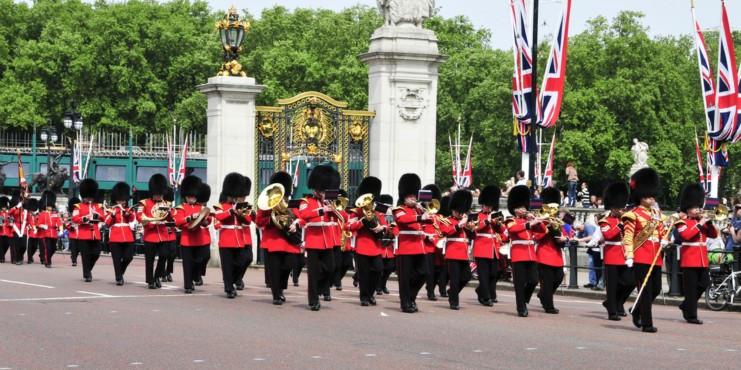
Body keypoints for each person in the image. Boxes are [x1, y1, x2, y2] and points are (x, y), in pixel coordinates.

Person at [622, 167, 666, 333]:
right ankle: (647, 323)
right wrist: (629, 255)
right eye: (648, 196)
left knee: (655, 289)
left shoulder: (657, 214)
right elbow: (628, 237)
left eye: (652, 195)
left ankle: (636, 309)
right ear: (641, 196)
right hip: (640, 256)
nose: (651, 199)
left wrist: (666, 239)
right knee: (645, 291)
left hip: (655, 256)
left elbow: (661, 232)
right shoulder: (632, 214)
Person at [297, 165, 341, 311]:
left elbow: (343, 218)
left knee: (331, 268)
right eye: (322, 190)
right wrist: (322, 209)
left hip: (327, 242)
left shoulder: (330, 203)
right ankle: (313, 300)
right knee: (313, 274)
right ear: (316, 189)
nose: (324, 193)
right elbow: (304, 215)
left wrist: (333, 209)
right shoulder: (306, 202)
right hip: (313, 241)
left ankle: (322, 288)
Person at [256, 171, 302, 305]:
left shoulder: (291, 203)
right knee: (274, 269)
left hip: (288, 241)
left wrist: (296, 223)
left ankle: (281, 288)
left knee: (288, 266)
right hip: (273, 240)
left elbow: (300, 217)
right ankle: (276, 294)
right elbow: (259, 221)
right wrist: (271, 219)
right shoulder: (268, 204)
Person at [676, 183, 718, 325]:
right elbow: (687, 236)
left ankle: (686, 305)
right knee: (691, 288)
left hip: (702, 260)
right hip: (689, 260)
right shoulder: (682, 222)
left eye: (698, 207)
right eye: (694, 207)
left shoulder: (703, 222)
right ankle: (691, 316)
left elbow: (713, 235)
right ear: (687, 209)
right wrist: (700, 223)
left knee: (704, 283)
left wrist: (710, 223)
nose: (697, 209)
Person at [346, 176, 388, 306]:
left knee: (378, 271)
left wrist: (382, 228)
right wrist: (361, 222)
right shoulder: (357, 211)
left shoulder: (378, 211)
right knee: (364, 274)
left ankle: (371, 294)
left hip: (375, 247)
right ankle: (364, 297)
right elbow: (347, 226)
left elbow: (385, 225)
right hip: (362, 246)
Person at [393, 173, 430, 313]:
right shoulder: (399, 210)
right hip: (406, 248)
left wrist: (423, 211)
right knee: (405, 278)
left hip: (419, 248)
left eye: (414, 196)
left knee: (424, 273)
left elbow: (431, 220)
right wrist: (420, 216)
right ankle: (406, 303)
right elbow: (403, 220)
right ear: (404, 197)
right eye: (410, 196)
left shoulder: (418, 210)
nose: (413, 199)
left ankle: (411, 297)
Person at [505, 185, 543, 317]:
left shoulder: (529, 220)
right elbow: (513, 230)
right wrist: (528, 224)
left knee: (533, 280)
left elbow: (543, 231)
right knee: (519, 283)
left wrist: (536, 221)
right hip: (518, 254)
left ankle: (524, 300)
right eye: (520, 208)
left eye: (524, 207)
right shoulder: (510, 220)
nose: (523, 209)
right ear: (515, 209)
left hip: (531, 255)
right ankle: (521, 307)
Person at [213, 173, 253, 299]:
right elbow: (219, 217)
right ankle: (229, 288)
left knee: (243, 260)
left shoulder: (242, 207)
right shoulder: (220, 206)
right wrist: (231, 210)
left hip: (239, 240)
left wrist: (240, 213)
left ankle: (235, 280)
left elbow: (248, 221)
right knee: (227, 266)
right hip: (226, 240)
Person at [599, 182, 633, 321]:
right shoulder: (604, 221)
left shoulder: (627, 219)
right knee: (612, 287)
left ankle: (616, 303)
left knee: (629, 282)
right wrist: (620, 224)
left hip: (625, 255)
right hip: (612, 256)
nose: (621, 210)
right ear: (612, 207)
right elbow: (609, 235)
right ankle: (612, 311)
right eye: (618, 207)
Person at [173, 176, 212, 294]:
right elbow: (178, 222)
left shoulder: (201, 207)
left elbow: (208, 220)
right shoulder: (180, 208)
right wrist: (189, 218)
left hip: (200, 238)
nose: (193, 198)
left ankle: (196, 274)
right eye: (190, 196)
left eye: (194, 195)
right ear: (186, 196)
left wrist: (205, 221)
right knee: (188, 263)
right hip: (187, 239)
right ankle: (188, 285)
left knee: (204, 257)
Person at [137, 174, 176, 289]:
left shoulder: (166, 204)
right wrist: (151, 224)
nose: (159, 196)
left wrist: (170, 214)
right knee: (150, 260)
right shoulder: (144, 203)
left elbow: (171, 219)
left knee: (165, 255)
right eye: (157, 194)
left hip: (163, 235)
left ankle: (157, 276)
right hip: (150, 235)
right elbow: (140, 217)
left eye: (160, 194)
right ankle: (150, 281)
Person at [534, 187, 569, 314]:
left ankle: (543, 294)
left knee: (559, 277)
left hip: (556, 254)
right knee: (547, 282)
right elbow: (536, 236)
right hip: (544, 254)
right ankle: (549, 306)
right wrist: (547, 227)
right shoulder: (540, 217)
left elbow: (565, 233)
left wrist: (564, 238)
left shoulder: (557, 219)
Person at [439, 189, 473, 310]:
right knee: (454, 279)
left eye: (461, 211)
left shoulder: (464, 222)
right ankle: (454, 302)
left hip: (463, 253)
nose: (460, 213)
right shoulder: (446, 220)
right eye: (458, 211)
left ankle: (452, 292)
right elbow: (447, 232)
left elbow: (472, 236)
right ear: (453, 209)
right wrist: (459, 224)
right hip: (452, 252)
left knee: (466, 277)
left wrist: (470, 227)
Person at [472, 185, 506, 306]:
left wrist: (499, 224)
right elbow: (475, 229)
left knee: (493, 273)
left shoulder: (496, 216)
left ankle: (481, 290)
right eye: (487, 205)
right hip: (481, 248)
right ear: (483, 204)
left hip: (493, 249)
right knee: (483, 274)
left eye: (490, 206)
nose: (488, 207)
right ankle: (486, 297)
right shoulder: (476, 216)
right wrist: (487, 221)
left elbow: (503, 232)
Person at [71, 179, 104, 282]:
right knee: (85, 255)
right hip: (84, 233)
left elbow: (103, 217)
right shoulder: (78, 206)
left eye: (90, 196)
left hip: (95, 233)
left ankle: (87, 270)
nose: (88, 198)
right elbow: (75, 218)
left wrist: (98, 215)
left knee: (96, 253)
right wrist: (84, 219)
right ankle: (87, 274)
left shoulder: (98, 206)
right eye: (87, 196)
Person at [105, 182, 136, 285]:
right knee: (116, 259)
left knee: (129, 257)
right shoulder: (112, 210)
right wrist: (113, 216)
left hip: (127, 236)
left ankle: (120, 272)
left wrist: (127, 213)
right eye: (119, 200)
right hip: (115, 237)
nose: (121, 202)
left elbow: (132, 219)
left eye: (123, 200)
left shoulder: (128, 210)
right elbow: (107, 223)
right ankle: (119, 277)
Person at [421, 184, 442, 301]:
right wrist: (426, 237)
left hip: (438, 247)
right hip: (427, 247)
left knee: (439, 271)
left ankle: (430, 287)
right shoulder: (423, 216)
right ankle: (431, 292)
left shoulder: (439, 217)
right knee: (429, 271)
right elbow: (419, 230)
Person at [332, 189, 354, 293]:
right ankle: (337, 282)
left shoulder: (345, 213)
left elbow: (348, 224)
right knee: (337, 263)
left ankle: (336, 280)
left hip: (345, 242)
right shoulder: (332, 212)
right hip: (335, 241)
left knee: (347, 263)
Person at [376, 194, 396, 296]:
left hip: (390, 247)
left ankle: (383, 284)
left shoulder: (392, 217)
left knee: (389, 268)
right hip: (380, 246)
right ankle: (378, 286)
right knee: (380, 268)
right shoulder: (378, 215)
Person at [37, 191, 62, 268]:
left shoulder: (55, 214)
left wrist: (60, 230)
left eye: (51, 206)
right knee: (48, 248)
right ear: (46, 206)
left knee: (53, 248)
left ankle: (47, 258)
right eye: (49, 206)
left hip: (54, 233)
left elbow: (59, 223)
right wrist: (43, 226)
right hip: (46, 234)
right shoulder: (42, 214)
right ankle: (48, 262)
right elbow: (38, 224)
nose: (50, 207)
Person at [66, 197, 81, 267]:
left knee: (78, 248)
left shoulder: (80, 212)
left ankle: (73, 257)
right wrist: (70, 227)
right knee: (73, 248)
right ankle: (74, 261)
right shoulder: (69, 214)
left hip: (80, 233)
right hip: (72, 233)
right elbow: (66, 223)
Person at [26, 198, 40, 264]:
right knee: (29, 246)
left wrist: (37, 227)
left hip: (36, 232)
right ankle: (29, 259)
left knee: (35, 247)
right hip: (29, 232)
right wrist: (28, 226)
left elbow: (39, 222)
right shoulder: (27, 214)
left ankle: (31, 256)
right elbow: (25, 222)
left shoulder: (37, 215)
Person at [0, 196, 10, 263]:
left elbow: (11, 222)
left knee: (6, 244)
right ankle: (1, 257)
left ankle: (2, 255)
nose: (4, 208)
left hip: (7, 232)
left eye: (5, 207)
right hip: (0, 232)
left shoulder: (8, 214)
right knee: (0, 245)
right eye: (3, 207)